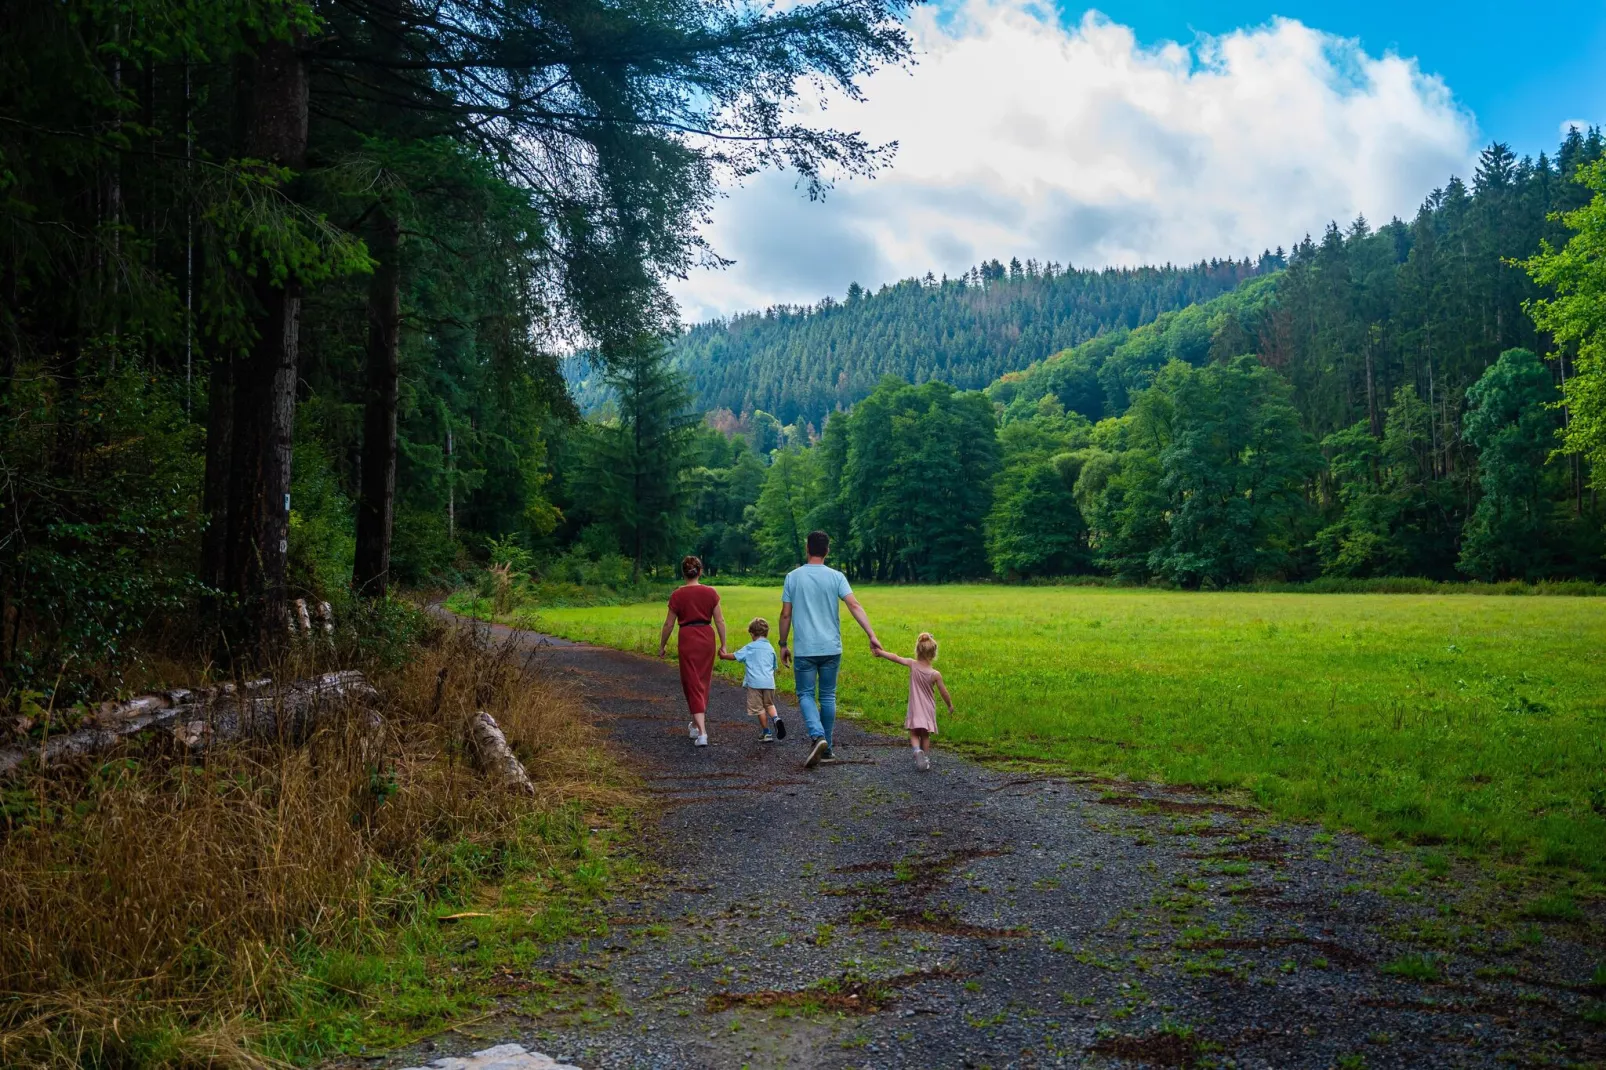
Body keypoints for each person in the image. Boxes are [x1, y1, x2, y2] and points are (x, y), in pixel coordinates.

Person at [778, 530, 881, 769]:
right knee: (827, 696)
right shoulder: (837, 576)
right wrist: (872, 635)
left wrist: (783, 643)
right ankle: (827, 750)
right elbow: (854, 604)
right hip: (831, 648)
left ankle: (817, 736)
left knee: (805, 694)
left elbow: (785, 614)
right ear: (827, 550)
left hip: (805, 648)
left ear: (807, 548)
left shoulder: (793, 577)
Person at [659, 555, 727, 747]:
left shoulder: (677, 595)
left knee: (691, 682)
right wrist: (723, 644)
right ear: (701, 571)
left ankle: (703, 733)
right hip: (707, 637)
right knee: (703, 681)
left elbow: (668, 624)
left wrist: (662, 645)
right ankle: (696, 725)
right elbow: (720, 621)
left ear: (683, 573)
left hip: (688, 637)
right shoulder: (711, 593)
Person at [873, 631, 953, 771]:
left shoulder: (912, 664)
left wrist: (881, 652)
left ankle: (917, 751)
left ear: (917, 650)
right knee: (925, 735)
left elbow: (895, 657)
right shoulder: (935, 674)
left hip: (915, 707)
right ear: (934, 654)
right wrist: (950, 705)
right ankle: (925, 758)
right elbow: (943, 692)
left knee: (914, 733)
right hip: (928, 708)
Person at [720, 617, 785, 742]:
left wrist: (723, 656)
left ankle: (766, 733)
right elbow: (774, 666)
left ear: (751, 634)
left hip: (755, 684)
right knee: (769, 704)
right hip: (769, 683)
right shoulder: (771, 648)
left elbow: (735, 656)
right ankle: (776, 719)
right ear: (766, 633)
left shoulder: (750, 647)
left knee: (759, 708)